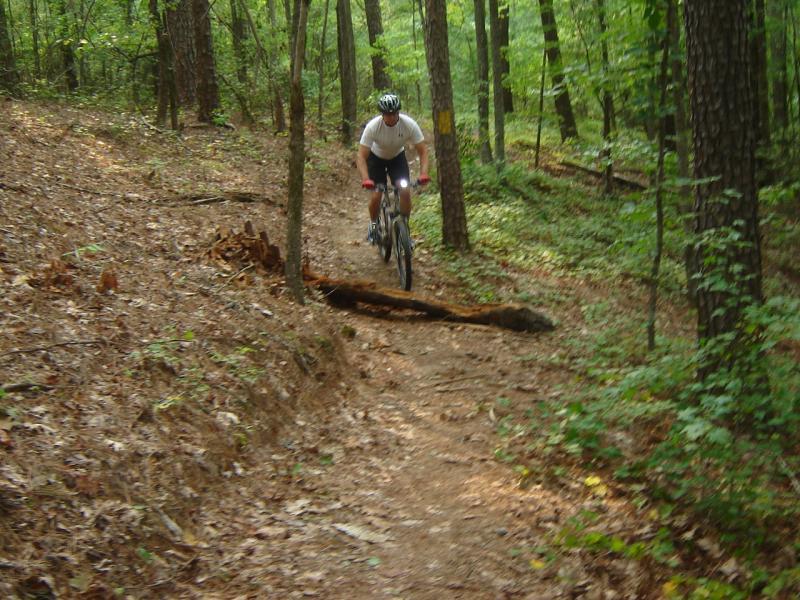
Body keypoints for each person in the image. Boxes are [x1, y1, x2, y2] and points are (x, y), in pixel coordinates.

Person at [356, 93, 430, 244]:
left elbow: (423, 151)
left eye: (393, 114)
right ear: (382, 114)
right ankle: (374, 225)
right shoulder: (373, 127)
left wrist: (423, 174)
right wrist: (366, 179)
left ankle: (405, 231)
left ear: (398, 112)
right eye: (386, 114)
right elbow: (361, 156)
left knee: (405, 192)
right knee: (377, 195)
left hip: (397, 158)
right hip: (376, 159)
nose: (390, 117)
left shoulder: (409, 124)